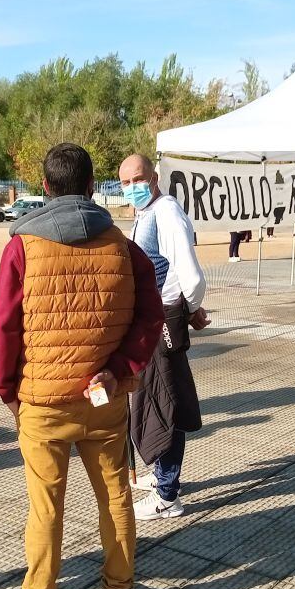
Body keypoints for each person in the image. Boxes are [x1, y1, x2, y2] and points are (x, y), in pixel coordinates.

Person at [0, 143, 163, 589]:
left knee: (45, 506)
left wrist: (8, 392)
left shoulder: (22, 246)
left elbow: (4, 329)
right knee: (115, 497)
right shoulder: (123, 247)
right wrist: (120, 369)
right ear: (93, 187)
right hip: (102, 399)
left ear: (45, 187)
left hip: (42, 403)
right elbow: (149, 318)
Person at [119, 153, 208, 520]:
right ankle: (162, 478)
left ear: (154, 177)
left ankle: (168, 495)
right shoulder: (146, 214)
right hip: (153, 318)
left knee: (164, 403)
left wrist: (188, 309)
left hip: (163, 319)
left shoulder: (166, 212)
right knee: (155, 400)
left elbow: (189, 274)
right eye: (125, 182)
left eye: (138, 179)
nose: (133, 187)